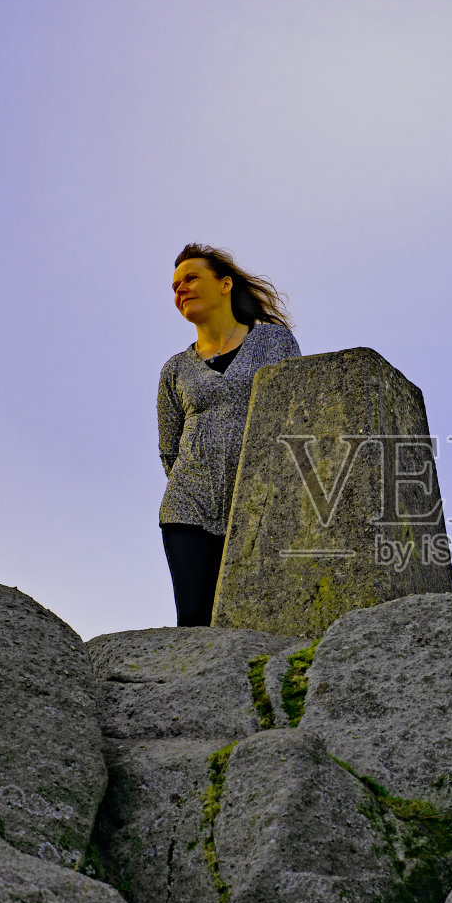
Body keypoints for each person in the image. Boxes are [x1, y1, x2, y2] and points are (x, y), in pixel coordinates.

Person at [157, 244, 301, 625]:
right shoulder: (175, 369)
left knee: (255, 619)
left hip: (258, 501)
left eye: (190, 278)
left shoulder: (273, 341)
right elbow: (168, 447)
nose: (180, 290)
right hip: (188, 505)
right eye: (174, 286)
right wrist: (198, 481)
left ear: (224, 284)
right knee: (193, 618)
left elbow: (298, 414)